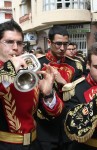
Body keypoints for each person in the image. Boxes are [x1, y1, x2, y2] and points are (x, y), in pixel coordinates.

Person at [0, 19, 63, 150]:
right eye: (9, 42)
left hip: (34, 143)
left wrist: (48, 94)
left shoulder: (31, 71)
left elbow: (54, 114)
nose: (15, 48)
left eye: (19, 43)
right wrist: (9, 69)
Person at [36, 25, 83, 150]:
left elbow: (80, 94)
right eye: (58, 44)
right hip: (44, 125)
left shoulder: (76, 65)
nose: (62, 48)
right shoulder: (37, 64)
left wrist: (63, 82)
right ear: (49, 42)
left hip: (68, 123)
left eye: (65, 44)